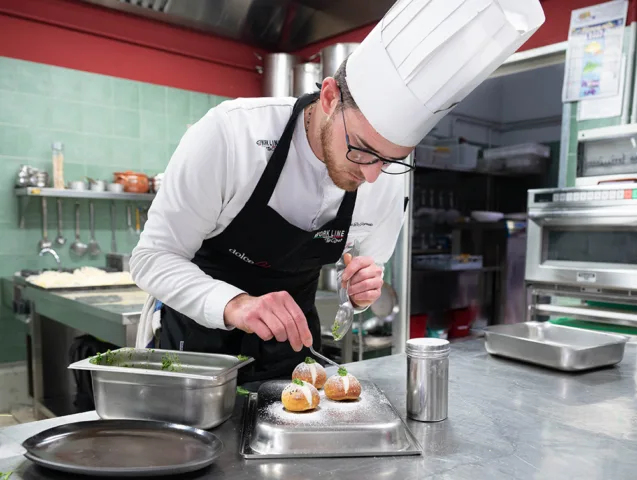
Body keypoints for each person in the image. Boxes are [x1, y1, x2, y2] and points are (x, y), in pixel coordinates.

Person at [131, 0, 545, 383]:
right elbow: (152, 258)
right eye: (362, 150)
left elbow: (363, 280)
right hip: (197, 352)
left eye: (390, 159)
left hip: (291, 356)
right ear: (329, 97)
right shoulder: (232, 135)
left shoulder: (385, 175)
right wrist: (237, 304)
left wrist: (361, 291)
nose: (372, 176)